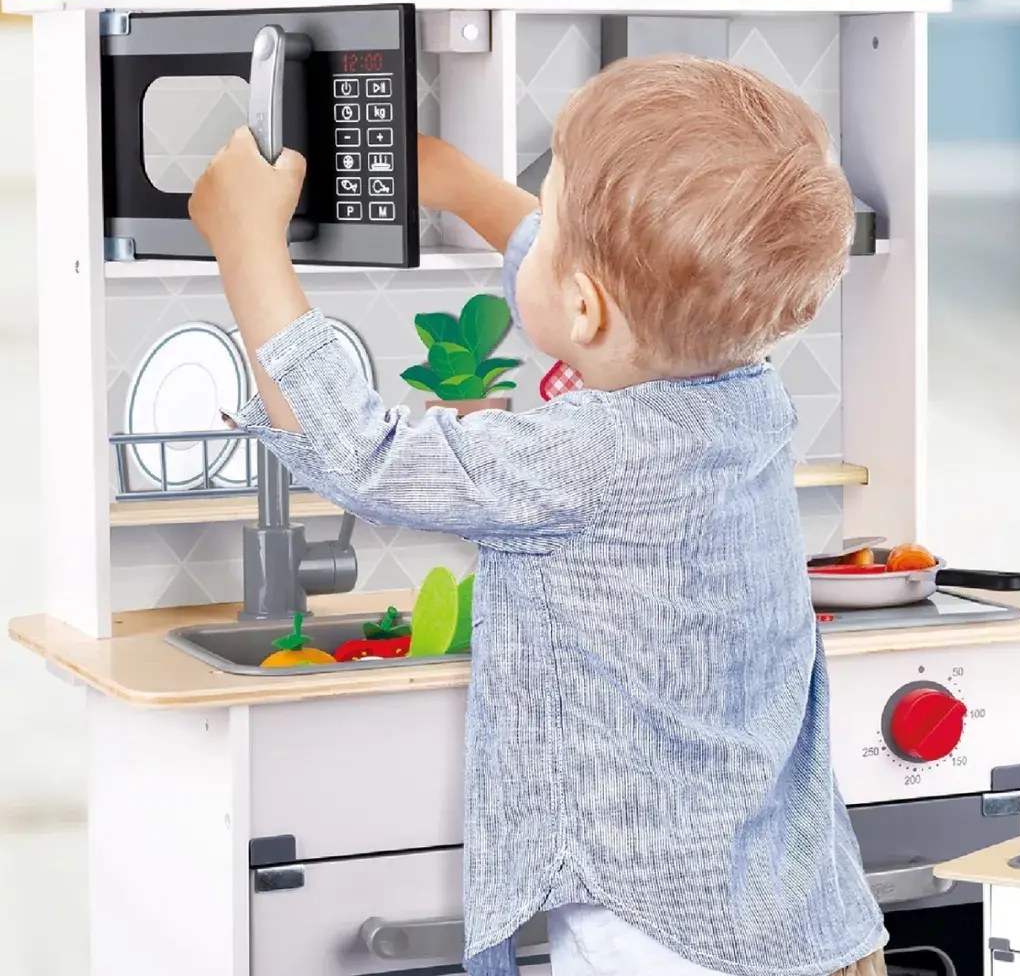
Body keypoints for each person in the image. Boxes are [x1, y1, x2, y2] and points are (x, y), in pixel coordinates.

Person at [189, 55, 886, 976]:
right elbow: (625, 287)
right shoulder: (748, 393)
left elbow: (364, 452)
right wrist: (460, 184)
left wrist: (247, 248)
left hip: (655, 940)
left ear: (587, 305)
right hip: (791, 912)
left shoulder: (590, 454)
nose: (536, 224)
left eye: (546, 213)